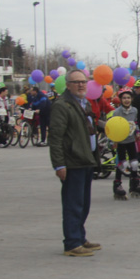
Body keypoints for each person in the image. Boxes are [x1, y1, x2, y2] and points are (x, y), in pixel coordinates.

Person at [48, 69, 100, 257]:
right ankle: (71, 242)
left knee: (83, 203)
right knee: (73, 203)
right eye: (76, 82)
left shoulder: (82, 103)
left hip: (86, 159)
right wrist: (59, 165)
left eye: (83, 82)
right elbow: (55, 137)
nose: (81, 85)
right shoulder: (62, 105)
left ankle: (79, 237)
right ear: (68, 85)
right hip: (73, 161)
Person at [109, 88, 140, 200]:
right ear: (120, 100)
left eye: (128, 97)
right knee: (122, 163)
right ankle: (117, 184)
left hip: (131, 140)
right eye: (124, 98)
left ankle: (135, 183)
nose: (126, 100)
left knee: (134, 163)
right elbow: (113, 127)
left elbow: (135, 123)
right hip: (121, 141)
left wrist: (137, 132)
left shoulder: (135, 110)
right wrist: (113, 141)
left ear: (132, 99)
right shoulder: (117, 112)